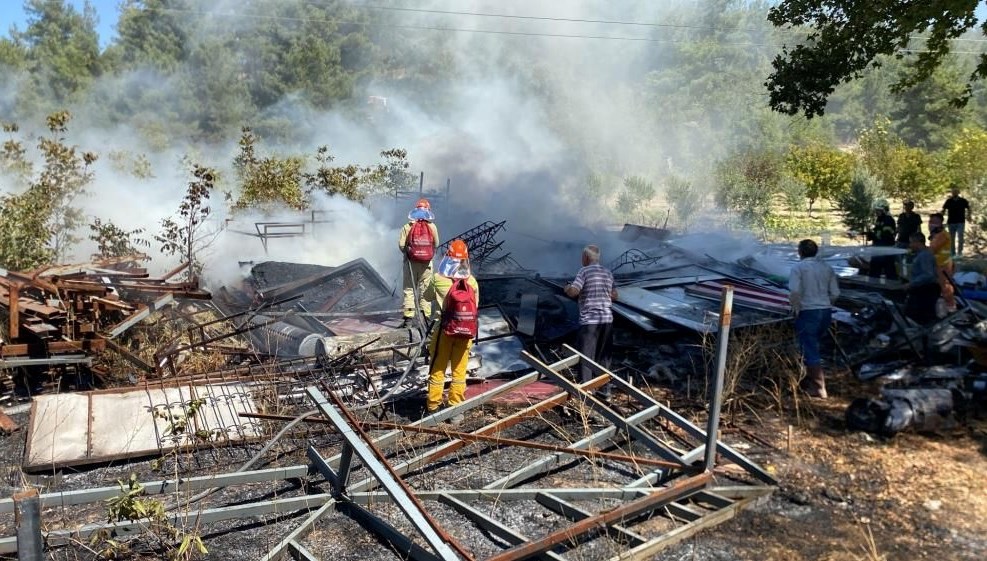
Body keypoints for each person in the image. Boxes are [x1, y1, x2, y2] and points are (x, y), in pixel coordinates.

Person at [425, 239, 479, 424]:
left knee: (438, 368)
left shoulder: (438, 279)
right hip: (465, 333)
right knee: (459, 371)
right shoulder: (472, 281)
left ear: (448, 257)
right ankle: (455, 410)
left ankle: (433, 408)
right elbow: (476, 306)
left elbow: (427, 296)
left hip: (444, 332)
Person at [788, 239, 840, 399]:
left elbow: (794, 292)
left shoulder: (798, 268)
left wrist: (795, 309)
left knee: (809, 349)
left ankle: (819, 388)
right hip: (825, 312)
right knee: (814, 346)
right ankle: (810, 380)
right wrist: (826, 304)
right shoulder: (827, 267)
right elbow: (836, 293)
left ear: (800, 252)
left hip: (808, 312)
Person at [564, 245, 618, 394]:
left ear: (586, 257)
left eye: (582, 257)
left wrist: (567, 288)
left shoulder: (584, 271)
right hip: (607, 320)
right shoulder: (607, 273)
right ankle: (605, 390)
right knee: (604, 357)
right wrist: (602, 292)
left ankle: (587, 391)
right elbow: (615, 296)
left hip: (590, 322)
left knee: (586, 358)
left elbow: (574, 292)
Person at [398, 198, 439, 327]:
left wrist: (409, 252)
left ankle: (408, 320)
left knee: (409, 289)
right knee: (425, 290)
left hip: (410, 263)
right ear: (428, 211)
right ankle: (424, 319)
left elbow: (401, 245)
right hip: (427, 265)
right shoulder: (432, 226)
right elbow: (436, 244)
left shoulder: (407, 226)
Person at [904, 232, 941, 326]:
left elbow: (928, 274)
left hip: (926, 290)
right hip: (923, 289)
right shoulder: (922, 254)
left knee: (921, 317)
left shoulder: (924, 255)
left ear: (918, 242)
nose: (910, 245)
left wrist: (911, 284)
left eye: (911, 242)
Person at [928, 213, 956, 313]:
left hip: (944, 266)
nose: (931, 224)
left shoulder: (942, 235)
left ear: (941, 223)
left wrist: (920, 249)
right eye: (931, 222)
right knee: (940, 287)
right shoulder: (936, 235)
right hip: (938, 265)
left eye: (935, 222)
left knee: (945, 288)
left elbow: (932, 250)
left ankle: (951, 309)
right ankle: (943, 309)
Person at [866, 203, 898, 279]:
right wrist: (870, 234)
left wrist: (874, 236)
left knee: (889, 269)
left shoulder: (888, 220)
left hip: (886, 248)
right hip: (878, 248)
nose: (876, 212)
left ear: (884, 211)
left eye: (878, 210)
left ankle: (891, 284)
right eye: (876, 210)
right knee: (874, 269)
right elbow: (877, 232)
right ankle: (873, 283)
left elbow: (886, 235)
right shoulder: (879, 219)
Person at [941, 186, 971, 256]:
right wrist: (940, 218)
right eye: (953, 192)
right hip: (951, 222)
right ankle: (953, 252)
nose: (954, 193)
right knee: (952, 238)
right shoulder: (949, 201)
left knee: (960, 237)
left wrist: (969, 215)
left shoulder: (963, 200)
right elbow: (943, 210)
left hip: (961, 221)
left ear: (958, 192)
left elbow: (969, 208)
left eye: (956, 191)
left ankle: (960, 252)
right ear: (951, 193)